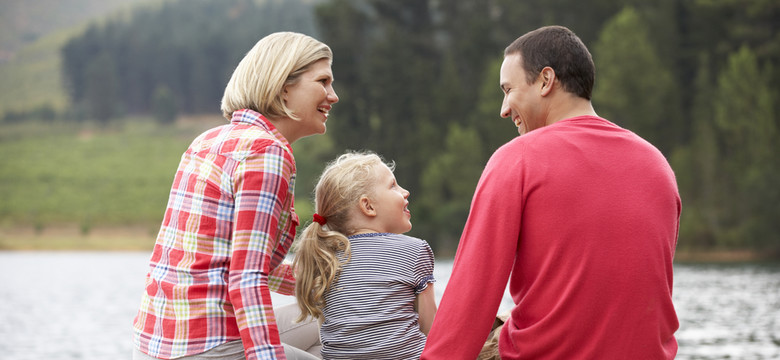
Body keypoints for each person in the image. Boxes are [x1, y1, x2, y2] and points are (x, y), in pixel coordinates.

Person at [422, 25, 681, 359]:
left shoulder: (517, 159)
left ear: (546, 81)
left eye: (508, 89)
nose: (504, 109)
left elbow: (471, 297)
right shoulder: (657, 165)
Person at [132, 31, 339, 360]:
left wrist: (332, 282)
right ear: (284, 87)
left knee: (330, 322)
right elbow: (246, 277)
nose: (333, 95)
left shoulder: (208, 140)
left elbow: (240, 263)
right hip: (208, 345)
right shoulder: (267, 151)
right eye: (323, 81)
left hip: (158, 344)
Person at [293, 151, 437, 359]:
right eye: (393, 186)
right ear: (368, 206)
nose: (405, 192)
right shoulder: (414, 250)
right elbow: (431, 328)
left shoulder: (324, 257)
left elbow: (329, 333)